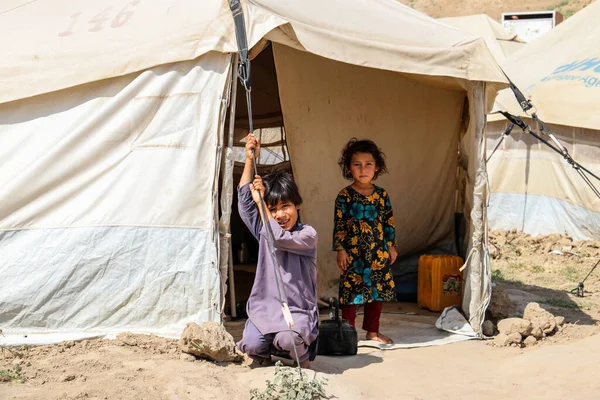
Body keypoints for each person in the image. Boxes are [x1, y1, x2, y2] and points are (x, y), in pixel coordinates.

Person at [236, 134, 318, 368]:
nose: (280, 215)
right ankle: (266, 352)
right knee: (251, 345)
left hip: (297, 310)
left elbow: (279, 238)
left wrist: (262, 204)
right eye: (274, 210)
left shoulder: (307, 235)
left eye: (286, 207)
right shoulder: (264, 229)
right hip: (266, 308)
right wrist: (249, 158)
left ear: (297, 206)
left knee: (289, 339)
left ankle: (301, 356)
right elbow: (244, 200)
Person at [332, 138, 398, 344]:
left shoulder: (381, 195)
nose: (363, 169)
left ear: (376, 167)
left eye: (368, 164)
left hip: (378, 254)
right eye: (357, 164)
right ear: (349, 168)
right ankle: (348, 334)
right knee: (350, 295)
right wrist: (340, 250)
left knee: (376, 294)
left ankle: (373, 332)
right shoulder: (344, 196)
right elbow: (340, 226)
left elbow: (388, 222)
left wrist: (391, 246)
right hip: (354, 256)